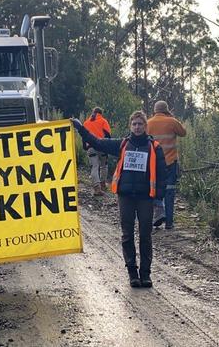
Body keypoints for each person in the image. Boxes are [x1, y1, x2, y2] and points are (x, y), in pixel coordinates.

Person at [71, 111, 166, 288]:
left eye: (140, 124)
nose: (137, 127)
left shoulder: (155, 147)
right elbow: (97, 142)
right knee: (127, 234)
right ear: (130, 126)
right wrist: (80, 128)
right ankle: (132, 273)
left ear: (145, 126)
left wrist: (158, 199)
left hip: (146, 198)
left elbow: (162, 174)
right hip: (126, 197)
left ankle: (145, 274)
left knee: (146, 236)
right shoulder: (122, 144)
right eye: (134, 124)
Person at [147, 101, 186, 230]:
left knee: (154, 190)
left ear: (155, 110)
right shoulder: (172, 121)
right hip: (170, 163)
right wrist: (172, 117)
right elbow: (183, 132)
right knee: (169, 192)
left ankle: (156, 216)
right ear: (166, 110)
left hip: (154, 164)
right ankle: (169, 223)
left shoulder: (148, 123)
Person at [82, 107, 112, 196]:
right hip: (102, 146)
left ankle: (96, 188)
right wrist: (108, 146)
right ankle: (103, 184)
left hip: (91, 147)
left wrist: (85, 147)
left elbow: (83, 136)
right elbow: (108, 135)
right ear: (100, 113)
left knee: (94, 167)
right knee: (104, 166)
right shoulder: (103, 121)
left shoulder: (86, 123)